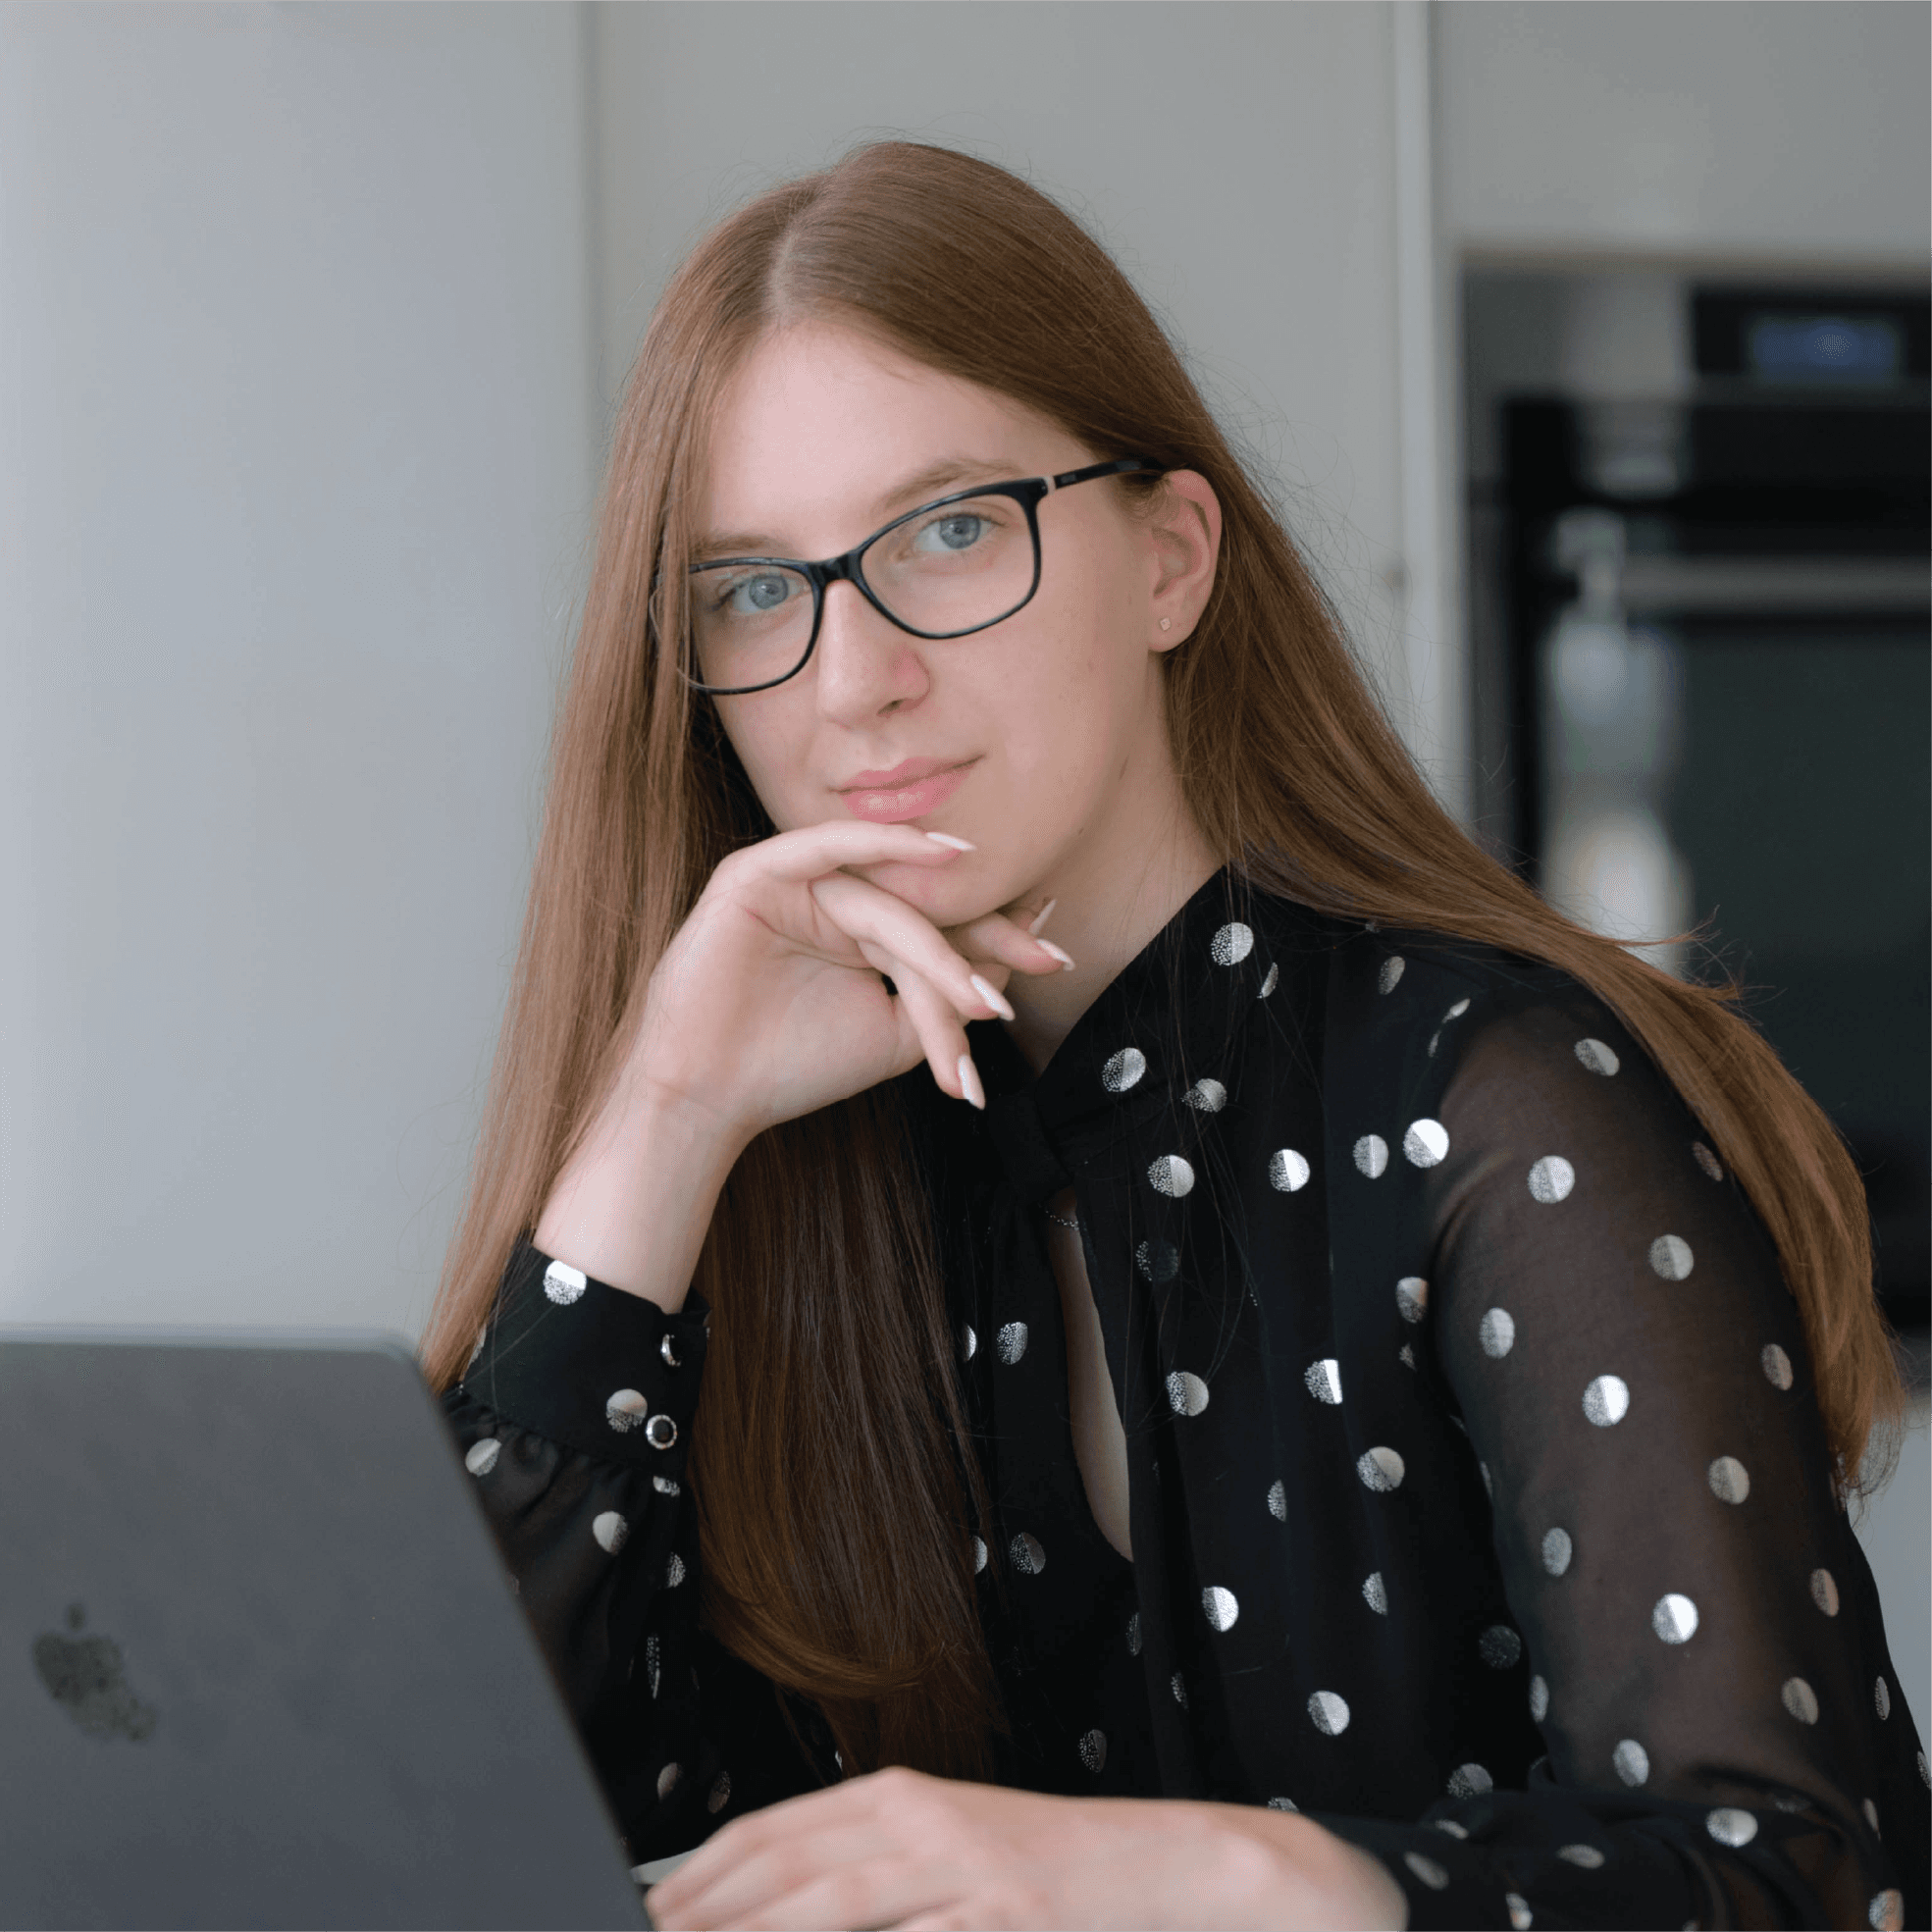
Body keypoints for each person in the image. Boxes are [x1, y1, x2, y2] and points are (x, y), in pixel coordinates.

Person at [422, 142, 1928, 1931]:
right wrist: (663, 1117)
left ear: (1169, 561)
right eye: (756, 588)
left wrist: (1210, 1875)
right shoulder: (779, 1165)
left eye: (953, 529)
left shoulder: (1500, 1104)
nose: (851, 679)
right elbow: (450, 1830)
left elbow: (1815, 1880)